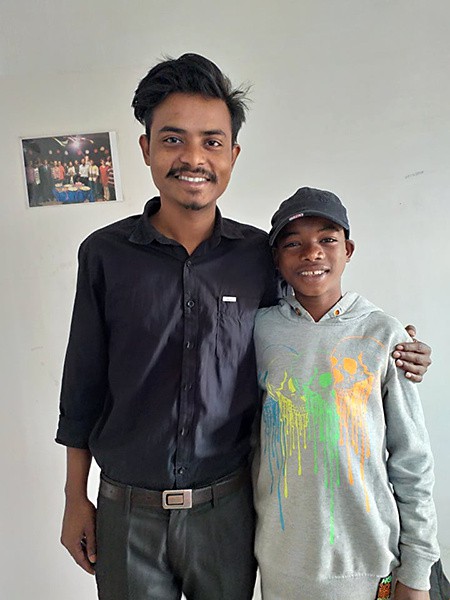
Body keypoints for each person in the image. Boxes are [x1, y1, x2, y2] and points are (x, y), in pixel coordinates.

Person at [56, 54, 432, 600]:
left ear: (232, 154)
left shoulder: (259, 256)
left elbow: (312, 324)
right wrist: (75, 497)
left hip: (227, 510)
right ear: (145, 148)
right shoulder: (105, 255)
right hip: (125, 509)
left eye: (211, 141)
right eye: (172, 139)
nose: (193, 158)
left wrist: (400, 349)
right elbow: (82, 384)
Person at [253, 187, 439, 600]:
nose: (312, 253)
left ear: (348, 250)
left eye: (327, 239)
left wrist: (418, 569)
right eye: (293, 243)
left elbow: (411, 460)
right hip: (283, 564)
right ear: (276, 258)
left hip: (371, 562)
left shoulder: (383, 334)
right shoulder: (258, 330)